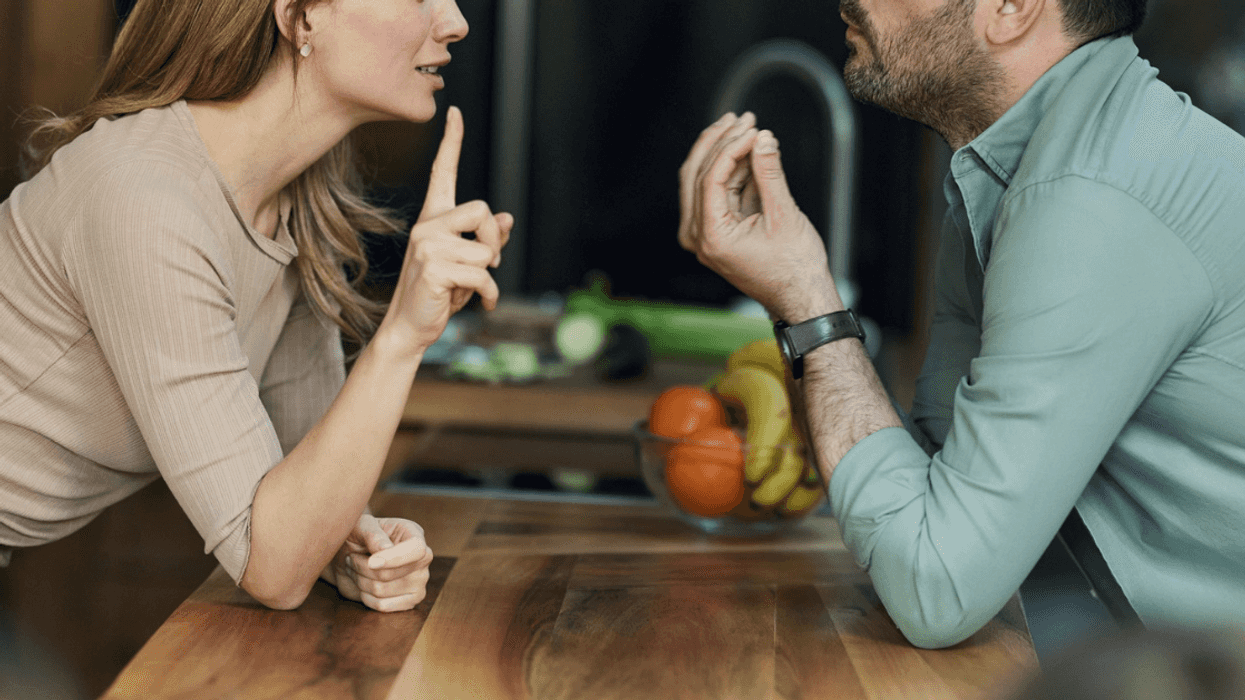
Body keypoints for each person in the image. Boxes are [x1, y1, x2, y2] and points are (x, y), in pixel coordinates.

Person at [679, 0, 1245, 647]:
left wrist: (806, 298)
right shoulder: (1014, 167)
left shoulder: (1088, 195)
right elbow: (929, 492)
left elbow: (934, 585)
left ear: (1010, 9)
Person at [0, 0, 512, 612]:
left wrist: (356, 551)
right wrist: (403, 336)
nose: (453, 21)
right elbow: (271, 564)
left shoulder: (289, 209)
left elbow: (298, 506)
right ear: (299, 17)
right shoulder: (144, 200)